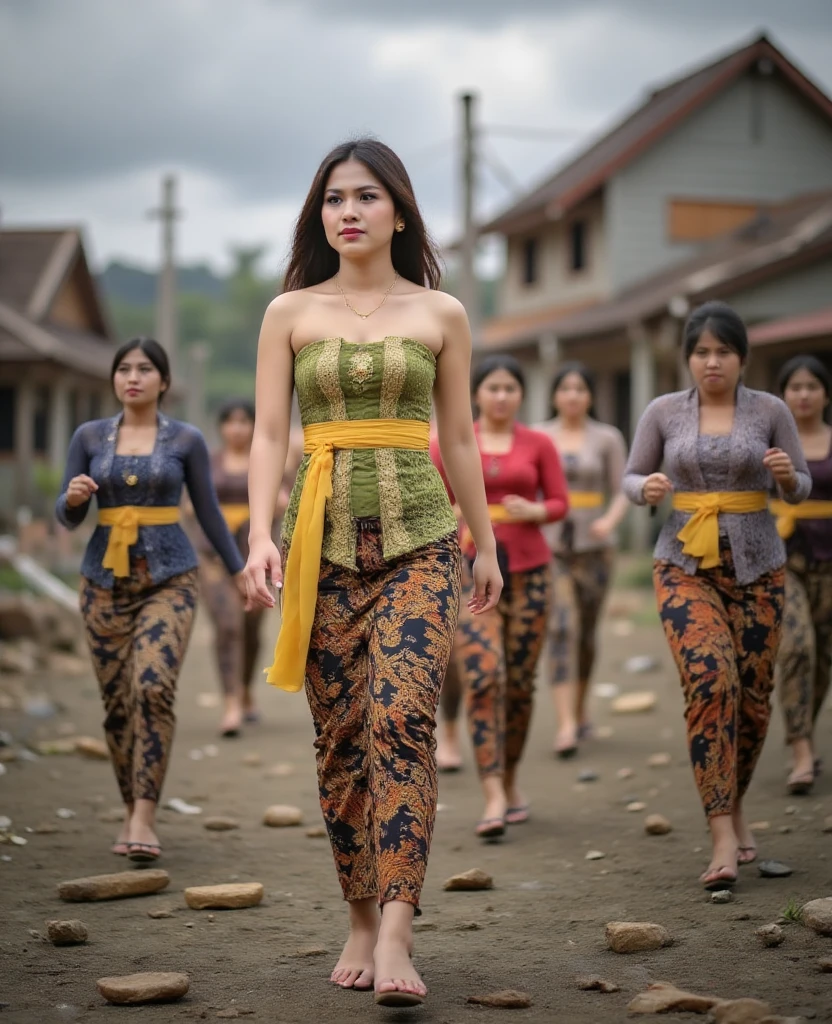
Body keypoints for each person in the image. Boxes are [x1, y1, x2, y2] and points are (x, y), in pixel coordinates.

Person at [241, 138, 501, 1008]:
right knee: (341, 737)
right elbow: (271, 437)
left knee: (400, 718)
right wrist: (257, 535)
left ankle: (396, 925)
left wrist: (486, 543)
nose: (346, 211)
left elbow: (459, 438)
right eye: (332, 199)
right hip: (318, 545)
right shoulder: (289, 312)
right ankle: (357, 911)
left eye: (366, 196)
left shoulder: (442, 313)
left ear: (399, 209)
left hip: (421, 541)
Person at [623, 300, 810, 891]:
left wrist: (784, 477)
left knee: (753, 698)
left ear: (742, 358)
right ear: (687, 359)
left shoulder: (772, 410)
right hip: (682, 563)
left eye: (722, 352)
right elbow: (631, 477)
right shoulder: (663, 411)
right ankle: (722, 830)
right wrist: (647, 487)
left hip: (760, 568)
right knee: (711, 681)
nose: (712, 362)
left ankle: (735, 802)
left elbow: (801, 486)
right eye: (701, 352)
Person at [55, 338, 245, 862]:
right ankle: (127, 805)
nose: (132, 377)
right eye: (123, 369)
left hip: (171, 579)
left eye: (145, 369)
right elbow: (67, 515)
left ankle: (144, 813)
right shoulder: (89, 436)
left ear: (164, 380)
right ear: (114, 379)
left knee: (153, 686)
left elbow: (207, 511)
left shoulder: (186, 439)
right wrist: (71, 501)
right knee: (117, 705)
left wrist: (240, 572)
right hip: (103, 581)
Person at [432, 355, 568, 838]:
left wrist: (533, 509)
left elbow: (560, 503)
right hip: (471, 577)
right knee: (485, 675)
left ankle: (510, 781)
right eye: (493, 387)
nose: (502, 396)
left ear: (520, 396)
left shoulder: (540, 444)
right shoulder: (447, 441)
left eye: (511, 388)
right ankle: (492, 792)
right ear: (477, 394)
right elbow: (432, 502)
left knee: (521, 683)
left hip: (530, 573)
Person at [537, 363, 629, 757]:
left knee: (587, 633)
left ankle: (580, 706)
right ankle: (565, 725)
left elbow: (623, 486)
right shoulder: (539, 435)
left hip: (595, 548)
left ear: (590, 395)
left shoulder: (607, 437)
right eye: (565, 388)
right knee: (560, 627)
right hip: (551, 546)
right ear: (554, 394)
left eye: (580, 388)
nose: (573, 395)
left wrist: (609, 521)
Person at [192, 399, 276, 737]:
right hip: (213, 555)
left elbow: (284, 494)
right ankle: (230, 703)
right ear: (221, 427)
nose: (237, 428)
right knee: (228, 624)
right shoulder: (209, 463)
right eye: (231, 421)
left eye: (244, 421)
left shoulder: (268, 459)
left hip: (254, 555)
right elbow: (193, 499)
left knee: (252, 630)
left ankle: (244, 689)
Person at [772, 355, 832, 795]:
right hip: (784, 559)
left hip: (829, 561)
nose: (804, 394)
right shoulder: (771, 445)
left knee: (824, 659)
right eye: (795, 387)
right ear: (783, 395)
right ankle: (800, 750)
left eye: (812, 386)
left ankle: (803, 733)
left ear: (825, 393)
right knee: (797, 649)